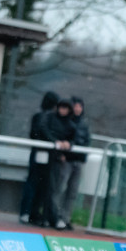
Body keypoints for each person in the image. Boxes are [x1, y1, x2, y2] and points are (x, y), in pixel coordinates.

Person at [19, 91, 58, 225]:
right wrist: (54, 142)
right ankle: (30, 212)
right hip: (43, 153)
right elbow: (40, 131)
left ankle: (29, 212)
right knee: (38, 183)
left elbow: (33, 133)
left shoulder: (38, 116)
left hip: (38, 152)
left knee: (36, 183)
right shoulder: (48, 117)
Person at [55, 96, 91, 229]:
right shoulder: (67, 122)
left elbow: (87, 140)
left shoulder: (84, 124)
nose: (78, 108)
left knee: (73, 191)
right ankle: (56, 216)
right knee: (61, 187)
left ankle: (66, 218)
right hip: (67, 160)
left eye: (80, 106)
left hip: (78, 160)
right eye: (76, 106)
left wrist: (84, 156)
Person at [40, 98, 75, 228]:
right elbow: (44, 130)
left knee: (55, 188)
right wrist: (55, 142)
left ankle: (52, 217)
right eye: (61, 107)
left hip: (58, 160)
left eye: (66, 108)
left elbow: (74, 138)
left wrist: (68, 145)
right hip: (46, 157)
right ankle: (47, 217)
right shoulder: (50, 118)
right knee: (47, 188)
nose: (63, 110)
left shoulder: (70, 125)